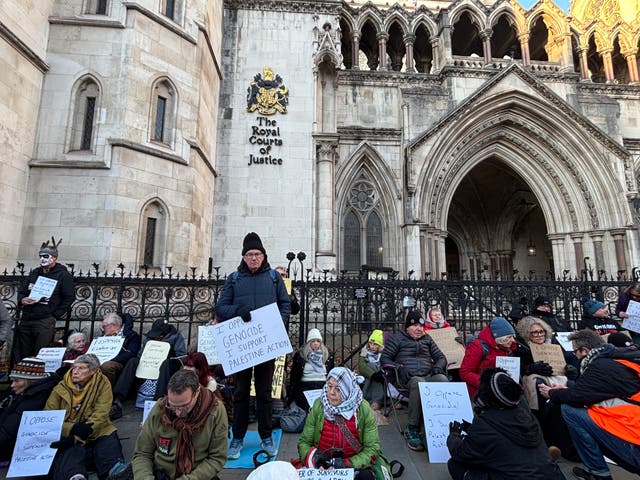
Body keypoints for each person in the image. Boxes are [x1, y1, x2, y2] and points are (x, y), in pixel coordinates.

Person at [216, 232, 290, 459]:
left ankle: (266, 436)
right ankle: (237, 438)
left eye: (257, 254)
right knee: (240, 393)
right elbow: (221, 308)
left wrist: (277, 325)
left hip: (266, 345)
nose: (254, 258)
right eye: (249, 254)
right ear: (244, 257)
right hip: (242, 347)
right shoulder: (234, 279)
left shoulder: (274, 278)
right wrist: (237, 311)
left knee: (265, 393)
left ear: (263, 255)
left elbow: (285, 304)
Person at [539, 330, 640, 480]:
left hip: (633, 440)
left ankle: (598, 472)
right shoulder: (619, 359)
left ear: (585, 350)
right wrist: (567, 389)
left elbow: (576, 398)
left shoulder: (599, 366)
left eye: (575, 351)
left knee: (569, 410)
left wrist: (552, 393)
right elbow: (594, 391)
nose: (574, 355)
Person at [447, 368, 565, 480]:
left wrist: (453, 436)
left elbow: (462, 453)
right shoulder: (528, 416)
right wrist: (472, 431)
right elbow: (504, 438)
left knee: (455, 465)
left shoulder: (485, 423)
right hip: (552, 475)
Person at [46, 353, 132, 480]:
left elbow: (101, 413)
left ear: (93, 371)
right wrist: (71, 429)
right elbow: (49, 417)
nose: (75, 371)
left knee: (108, 437)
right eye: (74, 368)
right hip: (69, 432)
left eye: (81, 368)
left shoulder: (103, 384)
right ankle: (76, 476)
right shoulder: (60, 387)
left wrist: (87, 430)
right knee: (70, 449)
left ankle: (115, 470)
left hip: (94, 428)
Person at [133, 369, 228, 480]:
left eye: (184, 406)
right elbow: (143, 453)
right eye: (172, 406)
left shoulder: (215, 411)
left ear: (196, 393)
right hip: (160, 473)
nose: (178, 413)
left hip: (197, 476)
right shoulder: (160, 408)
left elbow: (216, 458)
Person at [297, 367, 385, 480]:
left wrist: (347, 464)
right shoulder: (319, 405)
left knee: (365, 477)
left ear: (347, 390)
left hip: (353, 466)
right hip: (322, 467)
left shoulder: (363, 409)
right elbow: (304, 442)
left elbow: (372, 449)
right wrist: (315, 458)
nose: (331, 393)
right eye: (329, 386)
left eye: (338, 389)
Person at [380, 310, 448, 451]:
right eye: (415, 325)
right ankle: (412, 427)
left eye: (421, 326)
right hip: (406, 378)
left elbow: (441, 357)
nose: (419, 329)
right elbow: (385, 358)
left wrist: (437, 367)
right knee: (418, 383)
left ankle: (441, 423)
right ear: (407, 327)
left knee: (442, 379)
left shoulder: (427, 338)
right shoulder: (397, 338)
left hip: (428, 374)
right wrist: (399, 368)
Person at [109, 318, 186, 420]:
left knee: (166, 364)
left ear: (163, 335)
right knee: (133, 361)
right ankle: (118, 401)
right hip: (148, 366)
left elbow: (181, 356)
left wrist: (169, 354)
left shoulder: (176, 337)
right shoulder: (150, 339)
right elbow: (140, 355)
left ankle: (158, 401)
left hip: (166, 368)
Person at [14, 238, 75, 361]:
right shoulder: (34, 273)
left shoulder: (63, 275)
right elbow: (22, 290)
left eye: (46, 256)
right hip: (27, 318)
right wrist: (22, 300)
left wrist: (54, 314)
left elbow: (69, 297)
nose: (42, 259)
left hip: (44, 320)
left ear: (54, 258)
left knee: (41, 353)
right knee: (23, 353)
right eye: (40, 256)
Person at [0, 358, 59, 462]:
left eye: (17, 381)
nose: (12, 385)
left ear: (30, 381)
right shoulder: (21, 392)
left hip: (14, 451)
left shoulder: (36, 398)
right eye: (13, 380)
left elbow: (9, 430)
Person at [459, 317, 517, 398]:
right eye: (509, 337)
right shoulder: (478, 346)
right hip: (481, 391)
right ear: (499, 338)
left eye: (513, 336)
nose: (513, 340)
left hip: (502, 389)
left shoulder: (508, 347)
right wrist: (486, 384)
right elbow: (465, 372)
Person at [287, 328, 332, 411]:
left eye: (318, 341)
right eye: (313, 341)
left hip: (322, 385)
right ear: (309, 342)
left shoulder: (327, 355)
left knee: (323, 405)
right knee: (308, 406)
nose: (316, 343)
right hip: (306, 385)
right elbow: (294, 376)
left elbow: (331, 373)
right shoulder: (301, 355)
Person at [100, 312, 142, 386]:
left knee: (107, 366)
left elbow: (131, 353)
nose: (102, 329)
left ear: (113, 325)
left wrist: (111, 359)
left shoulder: (131, 335)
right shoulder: (104, 336)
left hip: (119, 362)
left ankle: (108, 391)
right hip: (102, 359)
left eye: (104, 326)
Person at [358, 329, 385, 410]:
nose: (372, 346)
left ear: (380, 345)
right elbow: (361, 367)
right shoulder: (365, 352)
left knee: (375, 369)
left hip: (383, 377)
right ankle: (377, 400)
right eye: (370, 343)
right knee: (371, 366)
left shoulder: (384, 354)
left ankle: (373, 400)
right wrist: (373, 375)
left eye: (375, 344)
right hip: (368, 378)